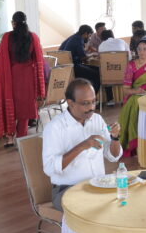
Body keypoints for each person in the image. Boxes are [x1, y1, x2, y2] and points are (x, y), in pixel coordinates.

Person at [41, 79, 122, 210]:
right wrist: (82, 146)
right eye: (85, 103)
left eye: (94, 101)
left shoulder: (97, 119)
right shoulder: (55, 127)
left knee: (122, 199)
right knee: (95, 208)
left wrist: (115, 138)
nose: (91, 108)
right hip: (66, 189)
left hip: (97, 185)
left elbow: (113, 156)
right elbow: (50, 168)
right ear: (70, 103)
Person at [0, 11, 46, 144]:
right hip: (28, 77)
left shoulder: (7, 37)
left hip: (11, 77)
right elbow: (39, 59)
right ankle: (21, 138)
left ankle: (10, 138)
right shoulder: (33, 37)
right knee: (24, 109)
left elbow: (0, 59)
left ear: (13, 23)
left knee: (11, 106)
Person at [60, 25, 102, 90]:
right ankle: (91, 95)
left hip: (66, 66)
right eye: (89, 35)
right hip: (73, 67)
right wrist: (93, 54)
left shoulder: (73, 37)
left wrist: (87, 50)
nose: (89, 38)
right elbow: (83, 57)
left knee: (97, 69)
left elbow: (78, 53)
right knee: (97, 74)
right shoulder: (79, 40)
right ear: (85, 33)